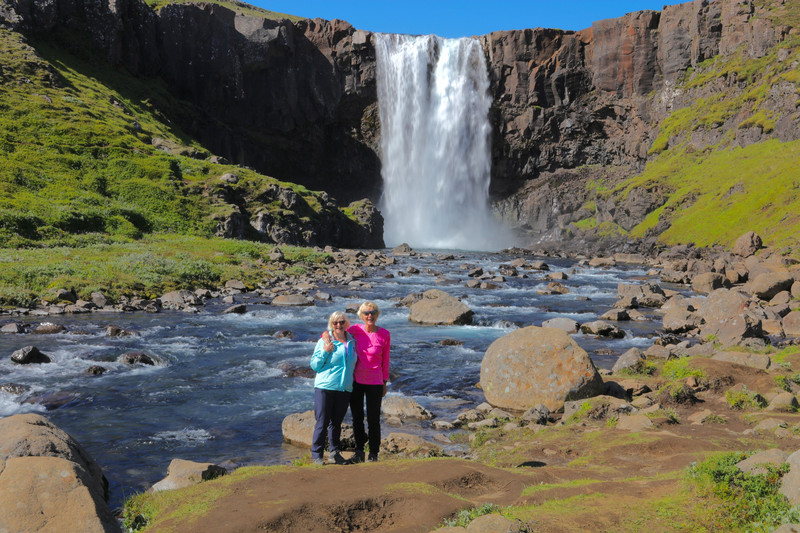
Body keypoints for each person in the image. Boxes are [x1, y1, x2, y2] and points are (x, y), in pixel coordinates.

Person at [326, 301, 390, 463]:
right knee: (357, 418)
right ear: (361, 315)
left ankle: (374, 453)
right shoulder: (354, 330)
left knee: (374, 419)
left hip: (375, 382)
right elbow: (333, 330)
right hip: (356, 381)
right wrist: (325, 338)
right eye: (367, 313)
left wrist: (384, 381)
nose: (370, 315)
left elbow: (386, 360)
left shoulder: (384, 334)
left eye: (373, 312)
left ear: (377, 314)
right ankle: (359, 451)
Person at [310, 311, 357, 465]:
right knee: (322, 422)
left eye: (342, 322)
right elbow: (314, 365)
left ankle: (334, 454)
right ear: (331, 324)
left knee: (336, 423)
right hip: (325, 387)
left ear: (346, 323)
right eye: (335, 322)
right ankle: (317, 456)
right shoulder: (324, 341)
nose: (339, 325)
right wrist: (325, 350)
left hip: (344, 388)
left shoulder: (351, 341)